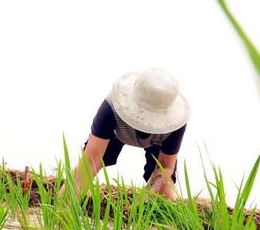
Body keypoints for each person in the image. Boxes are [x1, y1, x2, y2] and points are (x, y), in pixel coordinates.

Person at [68, 68, 190, 200]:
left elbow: (165, 167)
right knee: (84, 171)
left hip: (157, 141)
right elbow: (91, 159)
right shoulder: (112, 107)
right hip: (116, 132)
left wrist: (145, 201)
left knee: (165, 192)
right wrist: (63, 207)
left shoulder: (175, 123)